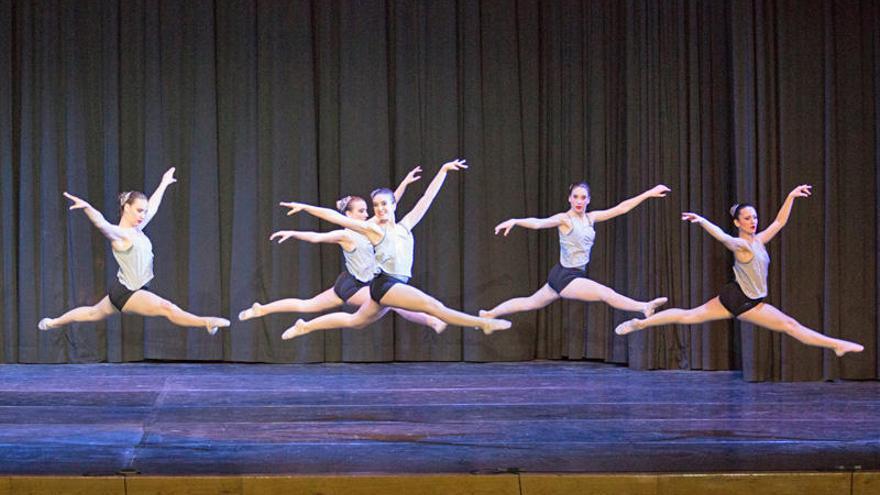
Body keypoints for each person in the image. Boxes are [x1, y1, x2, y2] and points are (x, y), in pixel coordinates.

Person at [614, 185, 864, 357]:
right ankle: (836, 345)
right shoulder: (743, 246)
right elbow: (723, 237)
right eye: (747, 219)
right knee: (790, 325)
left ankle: (641, 324)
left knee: (689, 316)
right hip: (747, 302)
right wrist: (702, 222)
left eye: (754, 217)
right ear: (738, 223)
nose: (753, 221)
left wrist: (791, 196)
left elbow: (779, 221)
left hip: (735, 295)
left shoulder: (760, 240)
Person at [278, 159, 511, 339]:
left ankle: (305, 326)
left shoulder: (405, 226)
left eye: (384, 204)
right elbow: (336, 218)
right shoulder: (374, 231)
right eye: (376, 205)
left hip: (391, 286)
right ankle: (483, 324)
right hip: (386, 284)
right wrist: (305, 207)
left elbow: (426, 199)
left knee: (355, 322)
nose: (379, 209)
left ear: (393, 205)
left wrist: (442, 171)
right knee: (434, 306)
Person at [238, 167, 446, 333]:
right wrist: (294, 233)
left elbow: (391, 205)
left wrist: (404, 184)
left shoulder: (370, 224)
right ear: (348, 215)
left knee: (307, 305)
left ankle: (262, 309)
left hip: (350, 280)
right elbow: (316, 237)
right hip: (354, 286)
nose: (367, 214)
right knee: (392, 302)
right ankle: (433, 321)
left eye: (367, 210)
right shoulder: (346, 234)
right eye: (361, 211)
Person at [38, 168, 230, 334]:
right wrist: (88, 208)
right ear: (126, 208)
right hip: (129, 292)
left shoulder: (136, 230)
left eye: (143, 212)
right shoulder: (121, 235)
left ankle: (52, 323)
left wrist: (163, 183)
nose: (143, 215)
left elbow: (153, 208)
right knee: (167, 308)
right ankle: (206, 321)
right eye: (139, 210)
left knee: (92, 313)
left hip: (125, 289)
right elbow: (102, 224)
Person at [479, 182, 670, 324]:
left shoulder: (591, 218)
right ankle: (644, 306)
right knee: (605, 293)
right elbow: (539, 223)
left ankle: (489, 314)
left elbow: (621, 208)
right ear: (570, 198)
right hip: (566, 276)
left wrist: (649, 193)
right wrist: (516, 220)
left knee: (530, 302)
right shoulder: (565, 219)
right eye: (575, 197)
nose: (579, 201)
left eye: (583, 197)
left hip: (566, 273)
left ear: (588, 200)